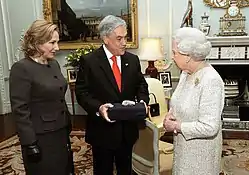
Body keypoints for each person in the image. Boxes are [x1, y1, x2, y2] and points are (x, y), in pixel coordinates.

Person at [75, 15, 149, 175]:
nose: (124, 43)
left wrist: (142, 102)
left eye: (126, 37)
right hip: (102, 131)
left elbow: (141, 85)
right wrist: (98, 107)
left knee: (125, 170)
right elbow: (82, 93)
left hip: (127, 130)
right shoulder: (90, 61)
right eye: (119, 38)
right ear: (106, 39)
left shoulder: (133, 60)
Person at [9, 19, 74, 175]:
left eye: (57, 42)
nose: (57, 48)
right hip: (41, 137)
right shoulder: (22, 69)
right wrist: (29, 143)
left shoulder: (54, 64)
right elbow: (20, 110)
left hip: (60, 130)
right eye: (52, 43)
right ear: (36, 41)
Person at [163, 27, 224, 175]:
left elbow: (210, 127)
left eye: (174, 53)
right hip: (183, 150)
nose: (172, 57)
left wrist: (176, 125)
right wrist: (170, 115)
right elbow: (179, 102)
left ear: (188, 56)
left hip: (201, 156)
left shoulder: (211, 80)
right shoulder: (186, 73)